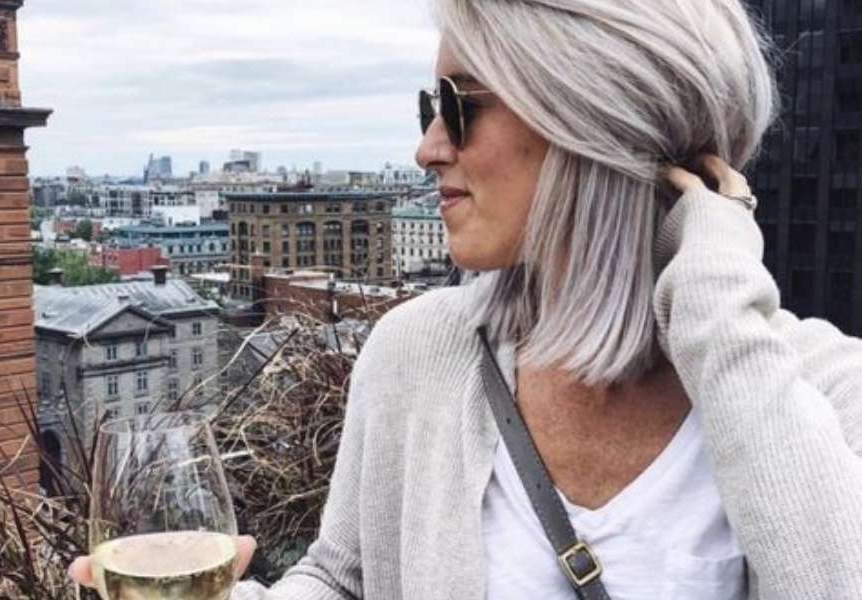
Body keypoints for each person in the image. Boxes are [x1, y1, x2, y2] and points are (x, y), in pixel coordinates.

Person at [72, 1, 862, 597]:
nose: (427, 147)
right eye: (430, 108)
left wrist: (717, 307)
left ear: (594, 121)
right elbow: (344, 579)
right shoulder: (418, 351)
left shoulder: (827, 391)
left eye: (459, 105)